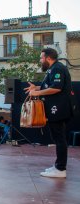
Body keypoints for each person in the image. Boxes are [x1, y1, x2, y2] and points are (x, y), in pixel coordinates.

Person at [25, 48, 74, 178]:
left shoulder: (57, 68)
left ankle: (60, 169)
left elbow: (56, 88)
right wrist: (36, 87)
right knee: (57, 138)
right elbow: (49, 86)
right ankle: (58, 166)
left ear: (48, 58)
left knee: (59, 139)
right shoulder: (53, 69)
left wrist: (37, 93)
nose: (40, 60)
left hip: (58, 109)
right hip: (55, 109)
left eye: (41, 58)